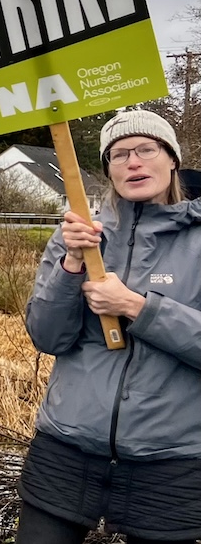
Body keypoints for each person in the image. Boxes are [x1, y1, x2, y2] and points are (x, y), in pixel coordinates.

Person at [17, 110, 201, 544]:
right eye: (119, 155)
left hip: (170, 460)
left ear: (171, 158)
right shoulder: (79, 235)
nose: (133, 162)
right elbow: (47, 337)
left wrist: (137, 307)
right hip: (66, 446)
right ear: (107, 170)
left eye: (145, 150)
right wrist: (72, 264)